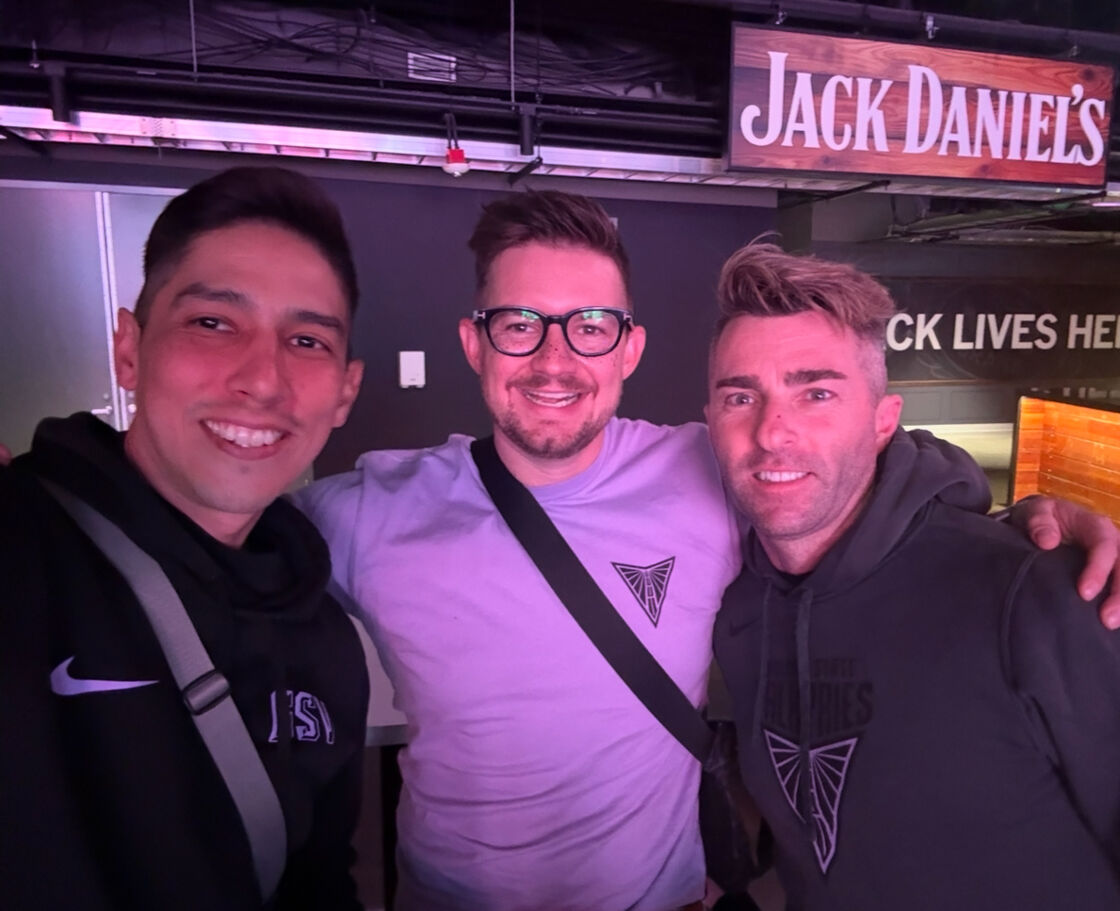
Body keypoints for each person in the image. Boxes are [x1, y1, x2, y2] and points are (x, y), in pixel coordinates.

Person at [296, 189, 1120, 911]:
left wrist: (1023, 525)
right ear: (476, 344)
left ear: (630, 349)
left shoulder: (710, 471)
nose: (554, 358)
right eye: (519, 324)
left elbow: (847, 471)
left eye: (590, 325)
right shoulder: (373, 512)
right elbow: (210, 548)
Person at [0, 166, 369, 911]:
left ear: (344, 394)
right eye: (212, 322)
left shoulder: (326, 641)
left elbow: (315, 885)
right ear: (130, 350)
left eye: (305, 339)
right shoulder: (20, 548)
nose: (263, 380)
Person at [709, 243, 1120, 909]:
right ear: (711, 422)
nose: (772, 432)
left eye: (816, 392)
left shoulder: (1037, 594)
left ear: (882, 422)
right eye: (739, 396)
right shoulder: (738, 605)